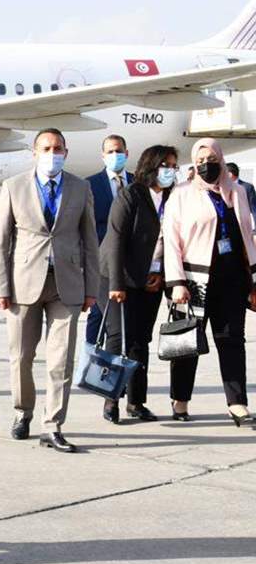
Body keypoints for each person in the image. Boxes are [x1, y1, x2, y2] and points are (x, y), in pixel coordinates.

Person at [0, 128, 98, 453]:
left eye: (58, 148)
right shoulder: (14, 186)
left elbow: (90, 241)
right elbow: (0, 241)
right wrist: (0, 286)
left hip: (67, 284)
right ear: (34, 153)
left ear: (66, 152)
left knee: (60, 361)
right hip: (23, 284)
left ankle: (53, 425)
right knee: (22, 356)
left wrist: (92, 287)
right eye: (46, 148)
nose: (53, 154)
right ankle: (23, 411)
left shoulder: (80, 187)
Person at [162, 137, 256, 426]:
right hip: (194, 281)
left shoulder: (237, 191)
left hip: (232, 278)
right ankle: (180, 400)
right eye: (200, 161)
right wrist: (176, 282)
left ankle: (237, 403)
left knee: (232, 341)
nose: (207, 165)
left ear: (221, 160)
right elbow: (171, 241)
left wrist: (253, 278)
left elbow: (247, 235)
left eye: (212, 160)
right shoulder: (181, 194)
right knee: (188, 342)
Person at [99, 144, 179, 423]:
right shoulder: (131, 194)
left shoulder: (173, 198)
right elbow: (116, 239)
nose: (170, 171)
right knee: (118, 337)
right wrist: (117, 284)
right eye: (165, 165)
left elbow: (174, 241)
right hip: (116, 277)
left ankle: (136, 402)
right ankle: (110, 399)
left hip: (151, 278)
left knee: (140, 340)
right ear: (151, 166)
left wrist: (163, 275)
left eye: (174, 166)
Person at [82, 133, 131, 403]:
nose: (115, 155)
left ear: (127, 153)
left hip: (130, 267)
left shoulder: (136, 183)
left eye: (119, 150)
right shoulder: (91, 185)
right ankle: (93, 363)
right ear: (103, 156)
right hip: (100, 264)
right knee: (100, 317)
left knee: (121, 324)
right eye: (110, 151)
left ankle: (120, 381)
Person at [227, 162, 256, 231]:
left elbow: (254, 208)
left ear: (230, 174)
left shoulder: (247, 187)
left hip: (244, 225)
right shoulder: (221, 188)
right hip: (228, 225)